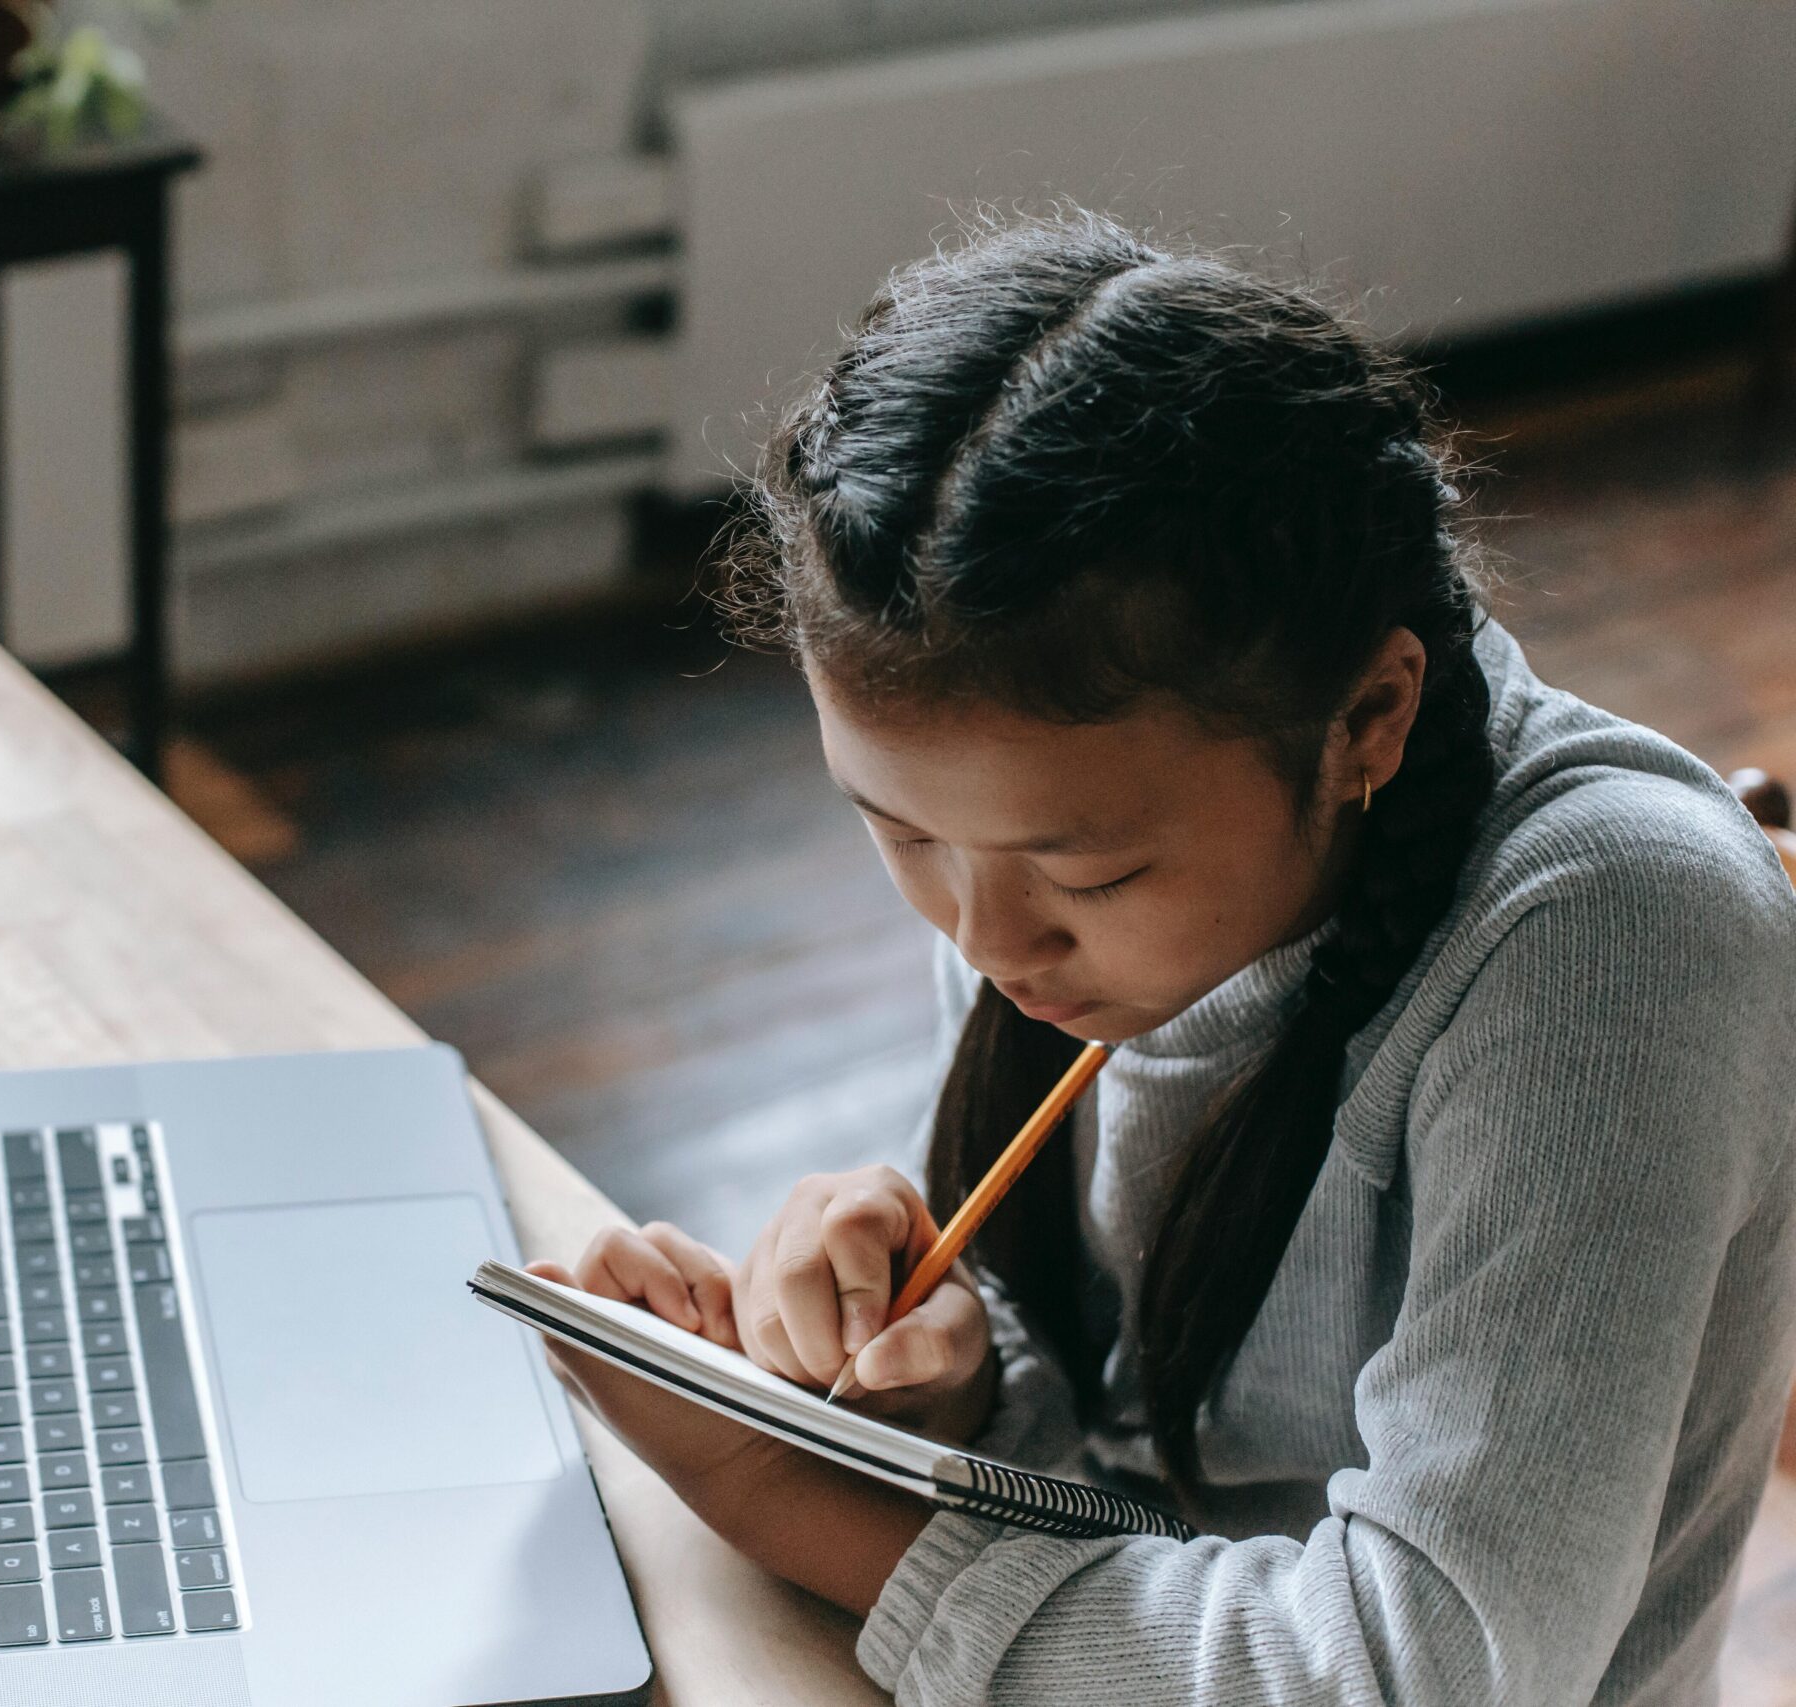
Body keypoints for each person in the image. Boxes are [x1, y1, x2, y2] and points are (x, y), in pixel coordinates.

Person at [530, 212, 1796, 1704]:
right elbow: (1127, 1421)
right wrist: (962, 1374)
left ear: (1371, 721)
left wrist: (785, 1501)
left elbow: (1424, 1669)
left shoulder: (1608, 943)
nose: (987, 941)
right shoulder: (1053, 877)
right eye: (899, 836)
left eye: (1091, 871)